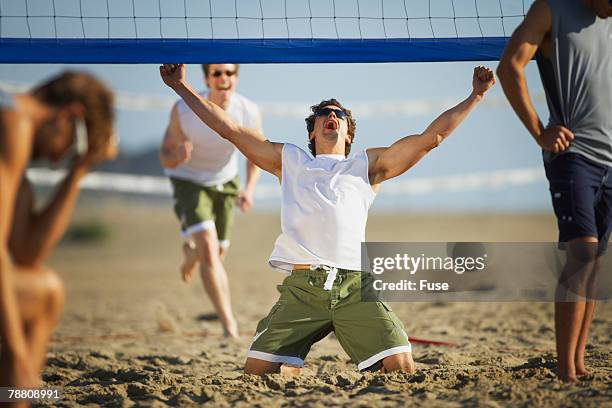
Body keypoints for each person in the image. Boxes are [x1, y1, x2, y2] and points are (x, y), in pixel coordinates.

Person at [160, 63, 495, 374]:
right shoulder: (289, 160)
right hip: (304, 290)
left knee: (401, 366)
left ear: (348, 133)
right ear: (312, 132)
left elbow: (429, 139)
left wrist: (475, 96)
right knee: (257, 372)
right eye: (323, 113)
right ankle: (292, 358)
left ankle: (311, 354)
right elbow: (230, 129)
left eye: (338, 114)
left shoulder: (367, 166)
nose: (330, 116)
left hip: (355, 287)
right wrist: (181, 87)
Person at [497, 0, 611, 382]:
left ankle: (577, 363)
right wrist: (539, 132)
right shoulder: (551, 9)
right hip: (573, 153)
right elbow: (510, 65)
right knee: (583, 253)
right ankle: (565, 370)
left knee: (594, 263)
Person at [0, 72, 115, 391]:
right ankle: (16, 393)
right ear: (70, 116)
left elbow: (26, 252)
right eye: (73, 147)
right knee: (46, 293)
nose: (57, 158)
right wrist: (16, 353)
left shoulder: (13, 133)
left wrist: (79, 169)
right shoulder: (14, 123)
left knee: (35, 286)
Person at [159, 64, 261, 339]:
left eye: (229, 73)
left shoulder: (248, 111)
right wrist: (176, 156)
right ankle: (229, 325)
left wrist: (248, 189)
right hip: (189, 180)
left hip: (225, 181)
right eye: (217, 73)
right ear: (206, 79)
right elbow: (165, 156)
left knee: (216, 254)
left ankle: (192, 253)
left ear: (236, 78)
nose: (223, 78)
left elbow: (255, 155)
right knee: (207, 245)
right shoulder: (182, 110)